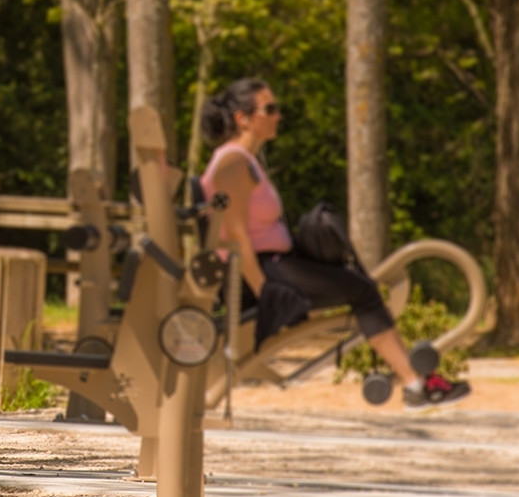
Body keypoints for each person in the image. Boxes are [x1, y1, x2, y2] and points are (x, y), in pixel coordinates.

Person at [201, 77, 470, 409]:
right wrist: (266, 293)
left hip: (274, 264)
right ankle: (416, 385)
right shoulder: (232, 163)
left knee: (361, 287)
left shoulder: (245, 161)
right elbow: (235, 236)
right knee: (363, 290)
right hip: (260, 272)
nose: (278, 116)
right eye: (269, 109)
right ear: (243, 119)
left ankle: (415, 382)